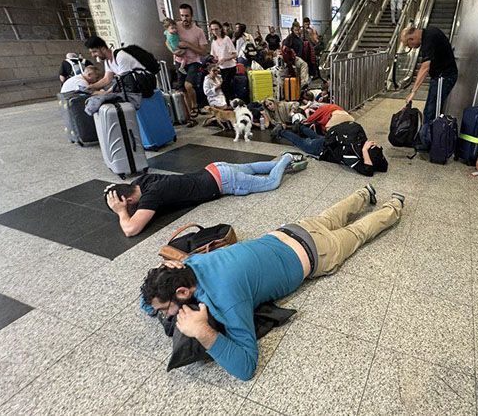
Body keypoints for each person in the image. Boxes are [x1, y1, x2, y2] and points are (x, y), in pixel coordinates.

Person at [139, 184, 405, 380]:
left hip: (319, 252)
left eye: (165, 310)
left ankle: (395, 206)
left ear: (183, 291)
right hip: (290, 230)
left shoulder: (226, 300)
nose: (165, 315)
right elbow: (148, 300)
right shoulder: (191, 264)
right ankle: (364, 193)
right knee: (330, 216)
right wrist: (164, 272)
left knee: (357, 232)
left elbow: (246, 367)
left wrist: (203, 333)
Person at [105, 153, 308, 237]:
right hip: (215, 168)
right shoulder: (141, 181)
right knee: (253, 167)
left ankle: (287, 157)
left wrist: (122, 212)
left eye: (128, 205)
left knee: (270, 183)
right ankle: (286, 163)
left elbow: (131, 229)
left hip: (224, 181)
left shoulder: (151, 197)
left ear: (129, 200)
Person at [273, 119, 388, 177]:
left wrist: (366, 148)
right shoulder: (352, 155)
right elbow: (368, 172)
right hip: (324, 149)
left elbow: (384, 166)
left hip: (331, 142)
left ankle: (301, 127)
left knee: (318, 137)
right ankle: (281, 132)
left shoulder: (360, 142)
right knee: (302, 143)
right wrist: (364, 152)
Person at [401, 26, 458, 125]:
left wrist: (413, 92)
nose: (413, 47)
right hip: (440, 77)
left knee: (431, 112)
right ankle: (429, 136)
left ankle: (430, 138)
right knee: (430, 110)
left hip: (444, 77)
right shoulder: (429, 33)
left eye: (410, 45)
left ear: (411, 38)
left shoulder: (429, 39)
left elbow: (425, 67)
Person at [174, 4, 210, 112]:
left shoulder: (198, 31)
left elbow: (203, 51)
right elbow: (167, 41)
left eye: (187, 16)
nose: (185, 18)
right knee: (182, 90)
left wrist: (188, 45)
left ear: (192, 16)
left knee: (188, 85)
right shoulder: (176, 27)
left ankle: (195, 104)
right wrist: (174, 51)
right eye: (182, 16)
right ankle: (190, 114)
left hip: (194, 61)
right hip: (179, 61)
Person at [209, 20, 238, 104]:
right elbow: (214, 56)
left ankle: (231, 103)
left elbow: (235, 54)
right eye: (212, 29)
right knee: (226, 86)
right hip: (222, 67)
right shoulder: (214, 42)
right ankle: (230, 103)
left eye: (216, 29)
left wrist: (225, 58)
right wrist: (214, 61)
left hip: (230, 66)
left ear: (221, 29)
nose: (215, 31)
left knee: (225, 85)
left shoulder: (226, 39)